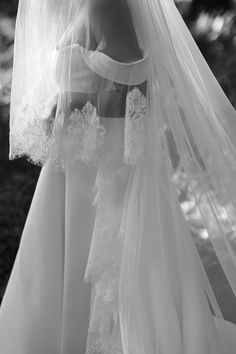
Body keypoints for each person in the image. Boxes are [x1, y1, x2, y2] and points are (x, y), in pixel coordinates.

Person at [1, 0, 236, 353]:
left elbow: (134, 74)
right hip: (76, 164)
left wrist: (72, 107)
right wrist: (63, 105)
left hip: (97, 167)